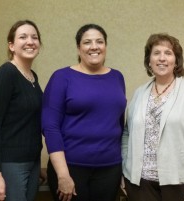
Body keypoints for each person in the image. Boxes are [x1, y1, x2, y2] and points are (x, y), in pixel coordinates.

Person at [121, 33, 184, 201]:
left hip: (181, 184)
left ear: (176, 61)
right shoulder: (139, 93)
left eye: (168, 53)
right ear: (149, 60)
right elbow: (127, 133)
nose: (162, 58)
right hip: (140, 185)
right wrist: (126, 169)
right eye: (156, 53)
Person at [42, 23, 127, 201]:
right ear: (78, 48)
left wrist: (123, 168)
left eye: (100, 41)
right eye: (87, 42)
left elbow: (118, 124)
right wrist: (63, 175)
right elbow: (50, 127)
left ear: (105, 46)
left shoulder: (117, 77)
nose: (94, 46)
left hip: (110, 168)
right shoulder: (61, 77)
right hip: (71, 168)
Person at [0, 20, 43, 201]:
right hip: (9, 164)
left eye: (34, 37)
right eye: (23, 37)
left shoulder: (32, 77)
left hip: (32, 162)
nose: (30, 41)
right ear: (11, 45)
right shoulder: (5, 74)